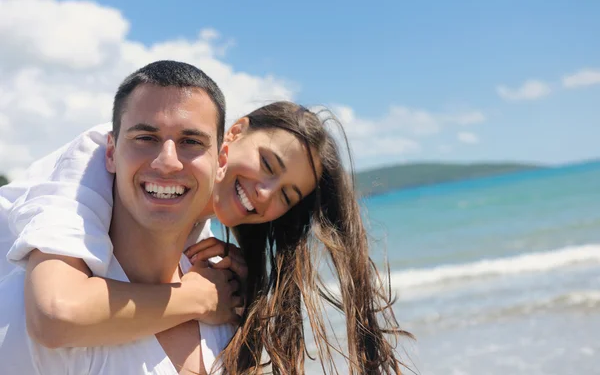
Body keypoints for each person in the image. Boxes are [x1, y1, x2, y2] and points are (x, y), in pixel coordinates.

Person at [2, 62, 411, 373]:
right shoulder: (106, 157)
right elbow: (55, 313)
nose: (263, 193)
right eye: (267, 164)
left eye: (286, 194)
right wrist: (198, 299)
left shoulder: (200, 244)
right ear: (232, 137)